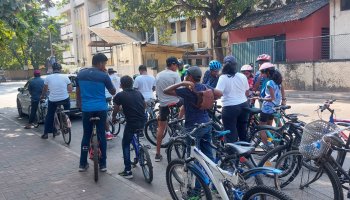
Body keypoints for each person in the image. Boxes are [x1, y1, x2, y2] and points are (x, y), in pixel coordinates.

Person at [164, 66, 222, 161]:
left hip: (194, 127)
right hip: (207, 123)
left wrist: (182, 83)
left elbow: (166, 90)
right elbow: (220, 93)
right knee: (208, 155)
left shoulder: (187, 91)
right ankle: (209, 174)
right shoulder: (205, 87)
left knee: (192, 156)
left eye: (186, 75)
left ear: (190, 77)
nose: (185, 76)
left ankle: (196, 174)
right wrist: (210, 98)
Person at [76, 53, 116, 172]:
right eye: (104, 63)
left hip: (87, 109)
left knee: (86, 135)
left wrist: (79, 103)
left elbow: (78, 91)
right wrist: (106, 76)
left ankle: (82, 164)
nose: (104, 66)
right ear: (100, 63)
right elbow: (113, 91)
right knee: (101, 135)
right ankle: (103, 164)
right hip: (100, 109)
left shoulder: (80, 74)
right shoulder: (103, 75)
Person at [112, 75, 146, 179]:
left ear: (121, 85)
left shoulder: (120, 95)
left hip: (131, 122)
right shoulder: (138, 93)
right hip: (143, 120)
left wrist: (113, 117)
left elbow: (116, 109)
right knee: (135, 134)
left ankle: (127, 170)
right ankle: (140, 150)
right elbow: (144, 105)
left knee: (125, 144)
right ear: (132, 84)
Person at [215, 55, 250, 143]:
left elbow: (218, 93)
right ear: (235, 65)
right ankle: (245, 154)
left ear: (224, 65)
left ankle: (232, 156)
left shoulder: (223, 78)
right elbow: (247, 92)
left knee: (231, 135)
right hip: (244, 106)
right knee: (243, 132)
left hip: (230, 108)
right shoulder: (242, 76)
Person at [154, 56, 181, 162]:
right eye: (177, 65)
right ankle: (178, 121)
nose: (177, 67)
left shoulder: (159, 74)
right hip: (175, 103)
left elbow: (157, 89)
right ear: (173, 64)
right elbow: (180, 90)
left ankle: (157, 154)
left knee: (161, 128)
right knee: (185, 106)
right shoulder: (175, 75)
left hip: (163, 105)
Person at [40, 63, 72, 139]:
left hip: (53, 100)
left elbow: (45, 89)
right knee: (67, 110)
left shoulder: (48, 77)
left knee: (50, 115)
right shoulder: (65, 77)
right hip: (64, 98)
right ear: (60, 69)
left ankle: (46, 134)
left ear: (52, 69)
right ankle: (66, 118)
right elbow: (70, 89)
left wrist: (42, 96)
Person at [257, 62, 283, 148]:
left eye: (262, 73)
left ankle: (266, 144)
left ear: (267, 72)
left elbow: (271, 98)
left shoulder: (269, 83)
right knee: (269, 126)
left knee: (261, 127)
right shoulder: (277, 82)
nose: (262, 75)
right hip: (273, 108)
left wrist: (261, 99)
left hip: (267, 107)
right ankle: (270, 141)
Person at [105, 68, 120, 140]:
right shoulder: (118, 78)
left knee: (106, 111)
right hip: (118, 94)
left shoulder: (107, 78)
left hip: (109, 95)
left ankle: (110, 117)